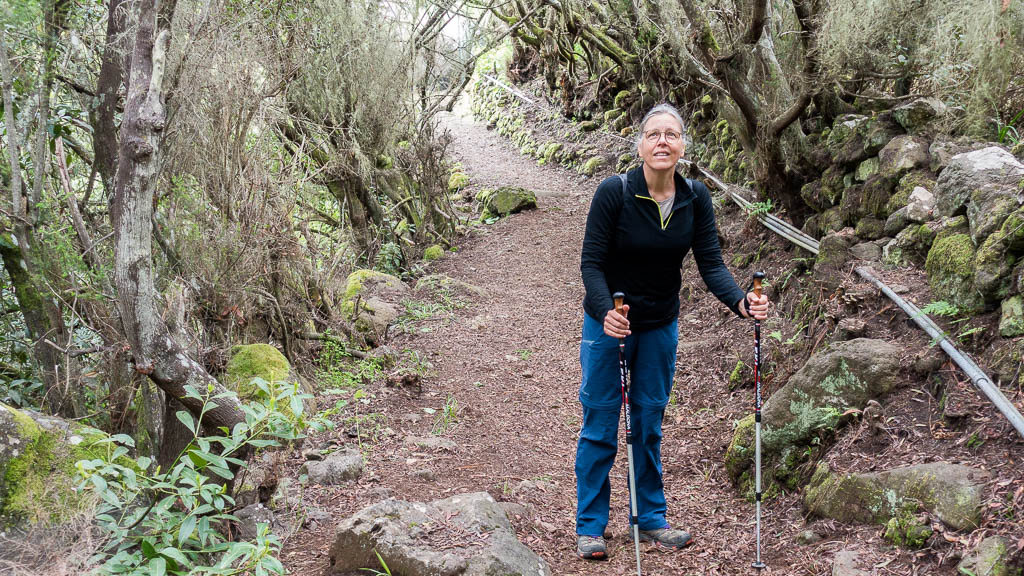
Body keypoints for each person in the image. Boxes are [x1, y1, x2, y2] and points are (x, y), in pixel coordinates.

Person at [575, 103, 770, 560]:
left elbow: (712, 264)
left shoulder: (695, 197)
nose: (662, 142)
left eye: (671, 135)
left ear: (683, 145)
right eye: (653, 134)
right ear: (640, 144)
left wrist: (742, 302)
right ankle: (591, 526)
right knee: (601, 422)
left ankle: (651, 519)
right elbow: (591, 262)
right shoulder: (614, 192)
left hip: (661, 324)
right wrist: (605, 311)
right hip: (610, 324)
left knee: (648, 422)